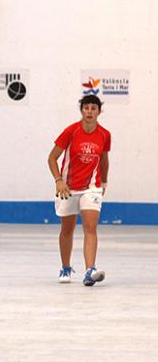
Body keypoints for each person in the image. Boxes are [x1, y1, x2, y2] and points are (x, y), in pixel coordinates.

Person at [48, 94, 111, 286]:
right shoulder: (71, 131)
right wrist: (59, 180)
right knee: (67, 229)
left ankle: (89, 270)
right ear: (81, 110)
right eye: (86, 108)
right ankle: (65, 267)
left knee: (90, 228)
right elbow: (52, 158)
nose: (90, 111)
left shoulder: (104, 134)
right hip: (67, 187)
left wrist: (104, 183)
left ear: (99, 111)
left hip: (91, 187)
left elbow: (104, 160)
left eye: (93, 108)